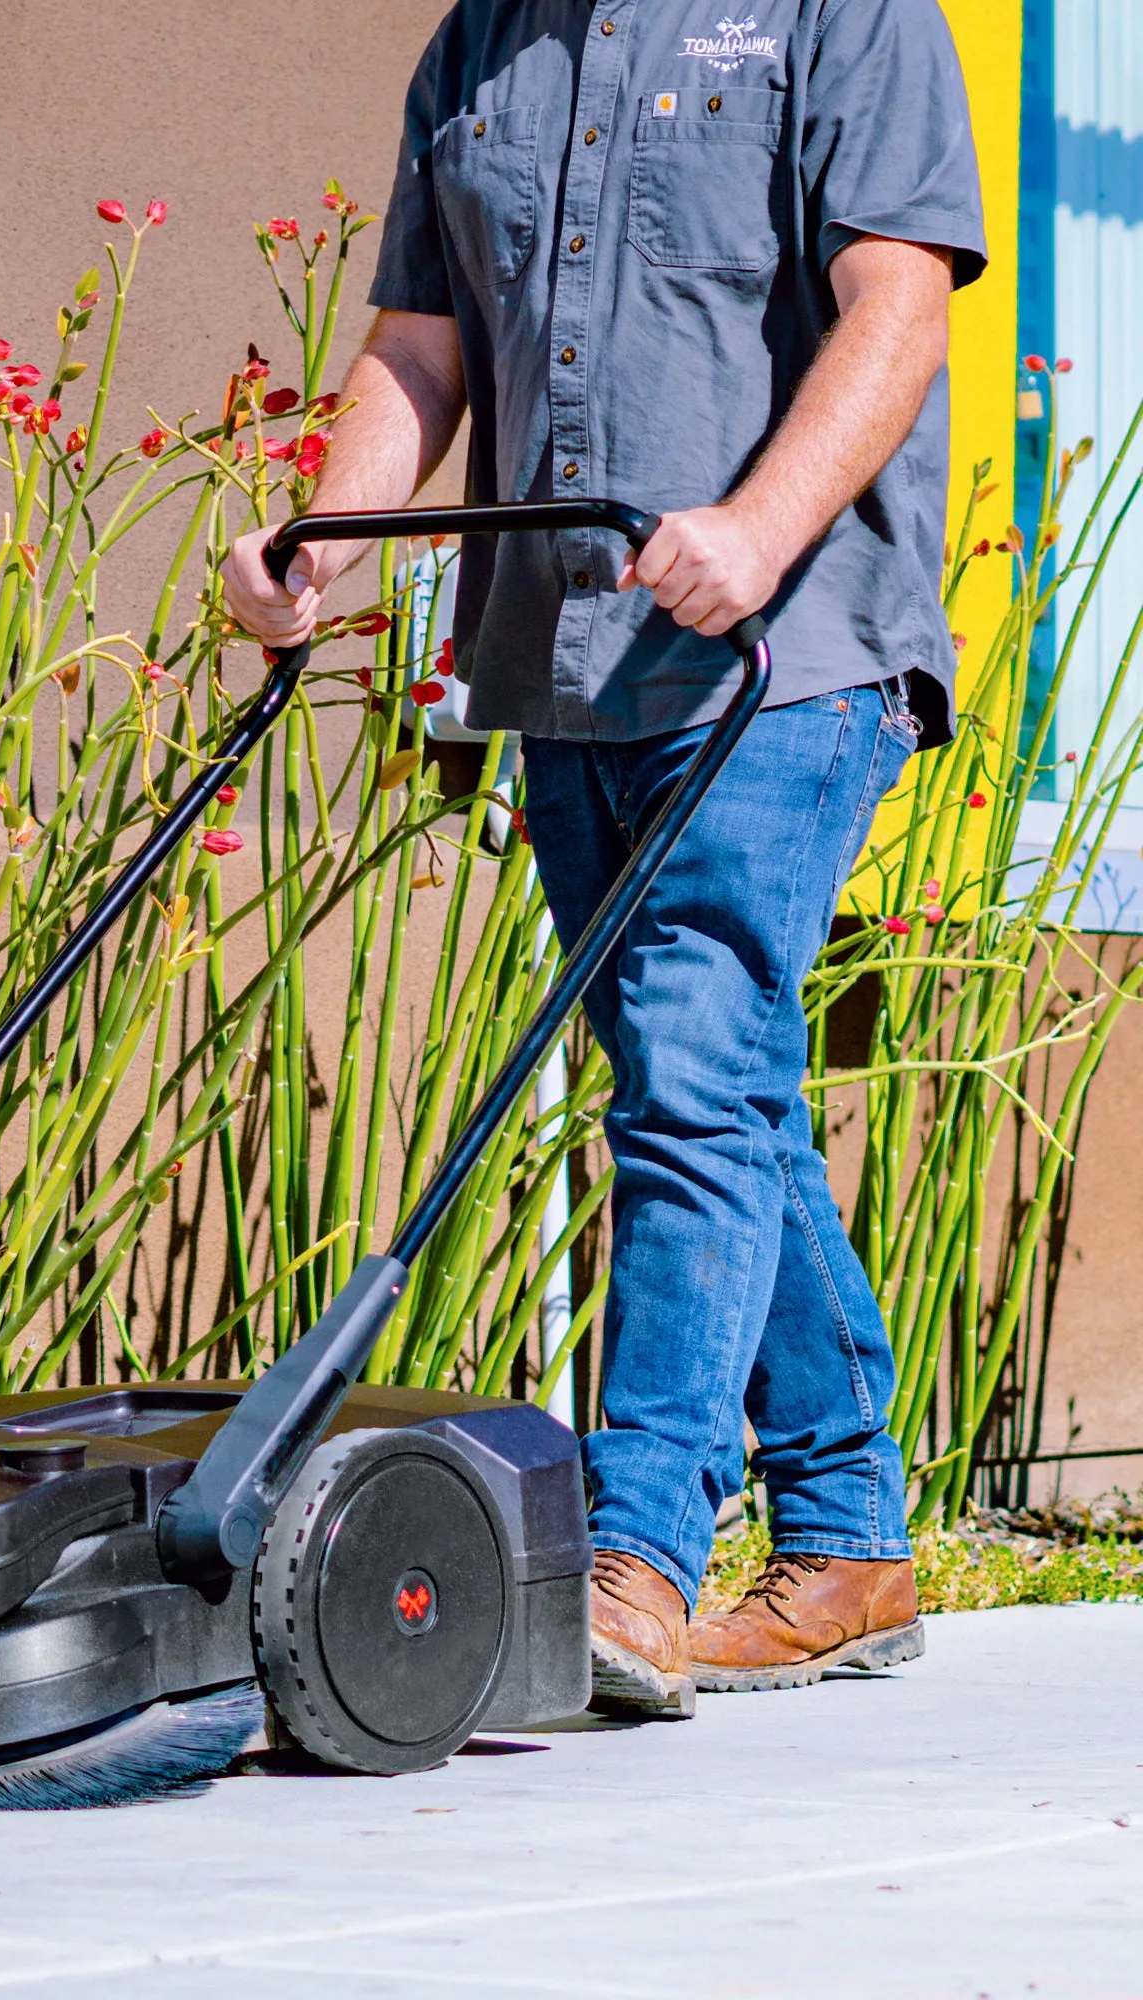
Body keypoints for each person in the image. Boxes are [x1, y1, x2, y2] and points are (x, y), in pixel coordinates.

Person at [221, 0, 986, 1717]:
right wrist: (317, 540)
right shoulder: (477, 44)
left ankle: (635, 1557)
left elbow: (901, 303)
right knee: (706, 1074)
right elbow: (421, 352)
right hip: (557, 657)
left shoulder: (836, 16)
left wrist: (762, 524)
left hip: (791, 651)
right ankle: (851, 1547)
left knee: (693, 1064)